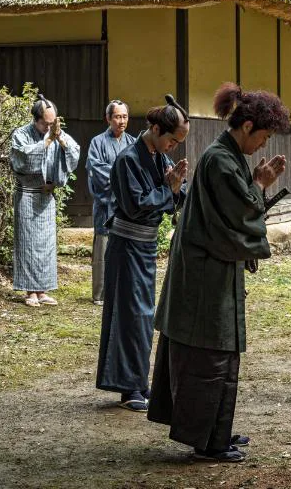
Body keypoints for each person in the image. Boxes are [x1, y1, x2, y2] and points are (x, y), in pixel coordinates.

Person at [148, 82, 290, 463]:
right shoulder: (221, 160)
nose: (264, 144)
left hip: (212, 269)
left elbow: (239, 210)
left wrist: (256, 183)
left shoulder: (227, 157)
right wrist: (259, 184)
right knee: (208, 354)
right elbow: (240, 213)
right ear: (246, 127)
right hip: (203, 275)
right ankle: (207, 442)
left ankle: (216, 430)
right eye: (263, 136)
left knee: (222, 353)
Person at [95, 95, 190, 412]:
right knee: (130, 316)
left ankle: (138, 382)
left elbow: (172, 196)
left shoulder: (158, 157)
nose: (173, 148)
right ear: (154, 128)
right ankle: (129, 388)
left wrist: (181, 189)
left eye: (178, 143)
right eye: (172, 140)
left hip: (145, 248)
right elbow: (137, 204)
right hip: (126, 247)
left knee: (143, 316)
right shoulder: (128, 160)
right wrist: (171, 190)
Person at [10, 94, 81, 307]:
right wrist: (47, 142)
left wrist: (59, 140)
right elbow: (21, 159)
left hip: (46, 195)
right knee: (28, 243)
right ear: (35, 120)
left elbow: (74, 155)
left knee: (46, 244)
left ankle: (42, 291)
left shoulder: (56, 133)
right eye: (45, 124)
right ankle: (30, 292)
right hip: (27, 194)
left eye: (52, 123)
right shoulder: (21, 134)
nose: (48, 127)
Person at [86, 100, 136, 306]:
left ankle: (120, 292)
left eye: (124, 116)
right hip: (106, 203)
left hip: (125, 206)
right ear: (108, 118)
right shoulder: (97, 142)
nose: (121, 121)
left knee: (124, 249)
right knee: (103, 249)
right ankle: (100, 294)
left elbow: (137, 170)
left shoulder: (133, 142)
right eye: (117, 116)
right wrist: (121, 178)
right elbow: (96, 170)